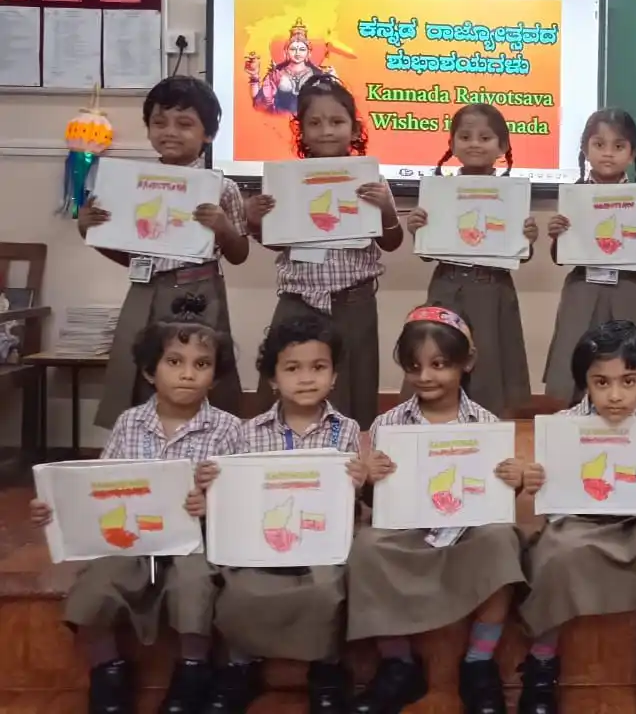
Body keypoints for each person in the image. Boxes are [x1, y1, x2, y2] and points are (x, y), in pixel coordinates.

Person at [30, 295, 244, 714]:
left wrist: (211, 502)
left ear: (214, 377)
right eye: (174, 362)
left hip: (193, 543)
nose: (187, 374)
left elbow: (239, 502)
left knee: (194, 584)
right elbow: (99, 487)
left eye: (201, 365)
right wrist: (54, 508)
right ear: (149, 371)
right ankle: (108, 670)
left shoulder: (229, 430)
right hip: (131, 539)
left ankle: (192, 671)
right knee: (96, 585)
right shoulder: (130, 423)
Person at [346, 305, 527, 714]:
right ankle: (397, 662)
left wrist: (510, 479)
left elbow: (495, 501)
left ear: (467, 363)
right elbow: (376, 503)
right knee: (366, 546)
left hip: (465, 533)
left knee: (502, 540)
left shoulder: (486, 423)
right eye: (414, 366)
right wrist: (371, 477)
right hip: (407, 534)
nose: (425, 376)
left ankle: (479, 662)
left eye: (439, 364)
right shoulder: (388, 424)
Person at [520, 320, 636, 714]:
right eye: (601, 382)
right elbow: (545, 485)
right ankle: (542, 661)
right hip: (576, 525)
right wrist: (535, 478)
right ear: (585, 382)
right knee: (553, 553)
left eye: (628, 381)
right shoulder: (563, 427)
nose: (615, 395)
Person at [205, 314, 366, 714]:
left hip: (324, 540)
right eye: (292, 368)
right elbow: (236, 496)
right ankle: (241, 667)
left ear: (333, 376)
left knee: (328, 587)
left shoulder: (346, 430)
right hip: (262, 538)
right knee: (240, 587)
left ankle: (326, 668)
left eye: (318, 367)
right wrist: (214, 482)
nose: (306, 378)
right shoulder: (247, 432)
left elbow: (351, 494)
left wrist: (361, 478)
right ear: (273, 379)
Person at [80, 76, 249, 424]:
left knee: (198, 369)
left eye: (184, 124)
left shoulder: (222, 188)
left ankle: (204, 454)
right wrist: (89, 231)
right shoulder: (129, 185)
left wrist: (222, 227)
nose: (170, 131)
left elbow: (239, 253)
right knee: (139, 369)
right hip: (144, 290)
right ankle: (138, 449)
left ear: (208, 134)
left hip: (199, 292)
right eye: (159, 122)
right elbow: (128, 254)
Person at [245, 76, 403, 429]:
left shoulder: (371, 181)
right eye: (314, 123)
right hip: (298, 300)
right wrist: (256, 222)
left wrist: (387, 211)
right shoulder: (285, 180)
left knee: (354, 389)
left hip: (354, 303)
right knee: (289, 390)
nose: (326, 131)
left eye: (336, 121)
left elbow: (392, 242)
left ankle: (353, 470)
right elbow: (278, 241)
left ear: (354, 127)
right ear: (300, 129)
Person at [406, 103, 538, 414]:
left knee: (490, 365)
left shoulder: (511, 193)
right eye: (465, 137)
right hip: (446, 287)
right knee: (437, 352)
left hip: (492, 289)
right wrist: (418, 230)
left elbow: (521, 254)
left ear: (502, 146)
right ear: (451, 144)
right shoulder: (439, 191)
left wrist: (527, 238)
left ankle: (487, 432)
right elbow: (427, 254)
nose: (475, 144)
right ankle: (431, 425)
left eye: (485, 137)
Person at [542, 109, 636, 403]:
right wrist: (556, 236)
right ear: (585, 149)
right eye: (599, 145)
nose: (608, 154)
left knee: (629, 359)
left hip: (628, 286)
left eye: (619, 146)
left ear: (632, 152)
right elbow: (559, 257)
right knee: (574, 362)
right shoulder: (574, 197)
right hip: (582, 287)